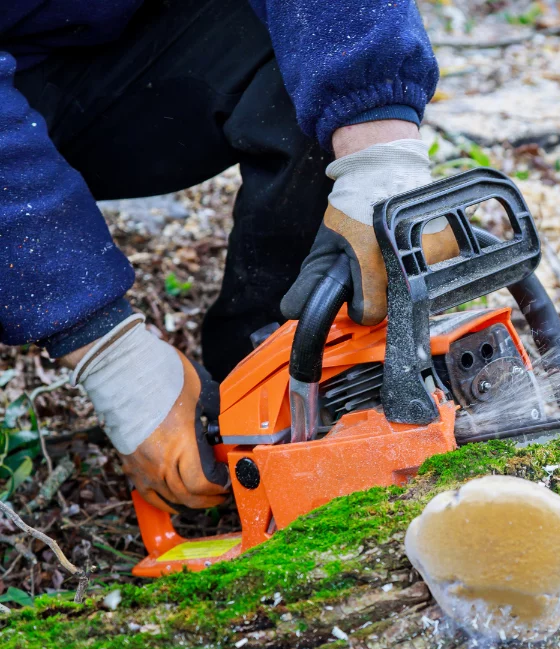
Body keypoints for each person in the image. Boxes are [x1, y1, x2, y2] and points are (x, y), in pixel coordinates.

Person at [0, 0, 457, 513]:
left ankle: (275, 378)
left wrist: (378, 151)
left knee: (302, 43)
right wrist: (108, 353)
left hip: (123, 47)